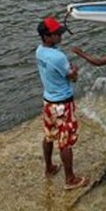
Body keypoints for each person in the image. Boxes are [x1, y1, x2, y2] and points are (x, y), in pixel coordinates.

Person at [35, 16, 87, 190]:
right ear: (47, 36)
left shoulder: (39, 51)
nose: (60, 36)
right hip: (62, 103)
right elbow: (72, 77)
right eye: (56, 33)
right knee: (65, 142)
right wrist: (74, 71)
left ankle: (49, 167)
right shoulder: (58, 57)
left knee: (49, 135)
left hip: (48, 101)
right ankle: (70, 179)